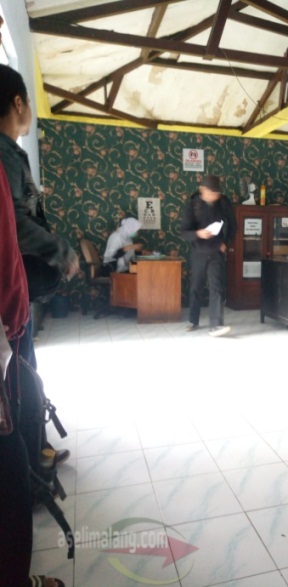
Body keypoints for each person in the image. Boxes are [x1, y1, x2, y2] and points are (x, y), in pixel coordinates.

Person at [0, 65, 78, 465]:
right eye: (29, 101)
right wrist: (62, 251)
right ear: (18, 103)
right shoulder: (5, 154)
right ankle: (30, 461)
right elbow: (14, 224)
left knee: (23, 366)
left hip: (17, 283)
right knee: (22, 369)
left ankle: (33, 452)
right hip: (11, 286)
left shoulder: (10, 152)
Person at [0, 160, 65, 587]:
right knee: (9, 468)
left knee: (29, 398)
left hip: (11, 331)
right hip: (8, 330)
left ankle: (40, 458)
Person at [181, 174, 236, 336]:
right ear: (203, 190)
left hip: (217, 251)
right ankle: (193, 320)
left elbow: (233, 224)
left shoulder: (223, 202)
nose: (215, 196)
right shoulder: (192, 205)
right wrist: (198, 233)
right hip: (199, 251)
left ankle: (216, 325)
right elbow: (183, 232)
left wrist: (227, 243)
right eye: (212, 193)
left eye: (217, 193)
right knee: (196, 287)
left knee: (216, 287)